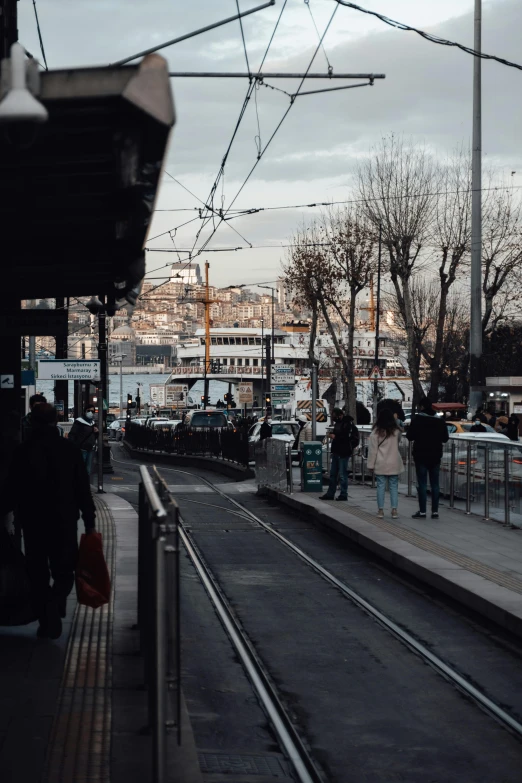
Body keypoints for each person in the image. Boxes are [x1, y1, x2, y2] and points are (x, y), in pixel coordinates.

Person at [1, 404, 96, 639]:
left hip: (32, 522)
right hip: (64, 520)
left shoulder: (22, 452)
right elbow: (82, 489)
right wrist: (90, 520)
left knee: (38, 574)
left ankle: (48, 619)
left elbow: (12, 489)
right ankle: (55, 602)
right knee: (64, 571)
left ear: (32, 421)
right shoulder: (69, 450)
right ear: (55, 421)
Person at [406, 396, 449, 519]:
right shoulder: (439, 420)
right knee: (435, 484)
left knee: (422, 483)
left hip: (420, 455)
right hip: (435, 455)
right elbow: (445, 438)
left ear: (422, 407)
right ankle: (435, 511)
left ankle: (423, 511)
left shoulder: (417, 419)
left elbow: (410, 436)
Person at [367, 409, 404, 519]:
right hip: (394, 461)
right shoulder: (397, 431)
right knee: (393, 487)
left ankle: (380, 510)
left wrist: (371, 465)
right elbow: (398, 442)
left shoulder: (375, 432)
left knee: (381, 486)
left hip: (380, 462)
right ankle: (394, 510)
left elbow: (373, 450)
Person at [320, 407, 359, 502]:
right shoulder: (339, 423)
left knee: (342, 475)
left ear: (340, 415)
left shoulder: (347, 424)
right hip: (337, 451)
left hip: (343, 452)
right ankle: (330, 493)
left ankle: (343, 494)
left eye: (335, 416)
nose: (334, 418)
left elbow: (345, 437)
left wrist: (335, 437)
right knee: (333, 474)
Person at [68, 404, 98, 474]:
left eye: (92, 411)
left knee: (88, 469)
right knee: (80, 468)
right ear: (85, 411)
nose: (90, 413)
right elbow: (72, 434)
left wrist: (96, 432)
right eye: (89, 411)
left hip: (90, 448)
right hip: (81, 448)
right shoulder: (79, 421)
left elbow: (95, 436)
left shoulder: (93, 423)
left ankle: (85, 483)